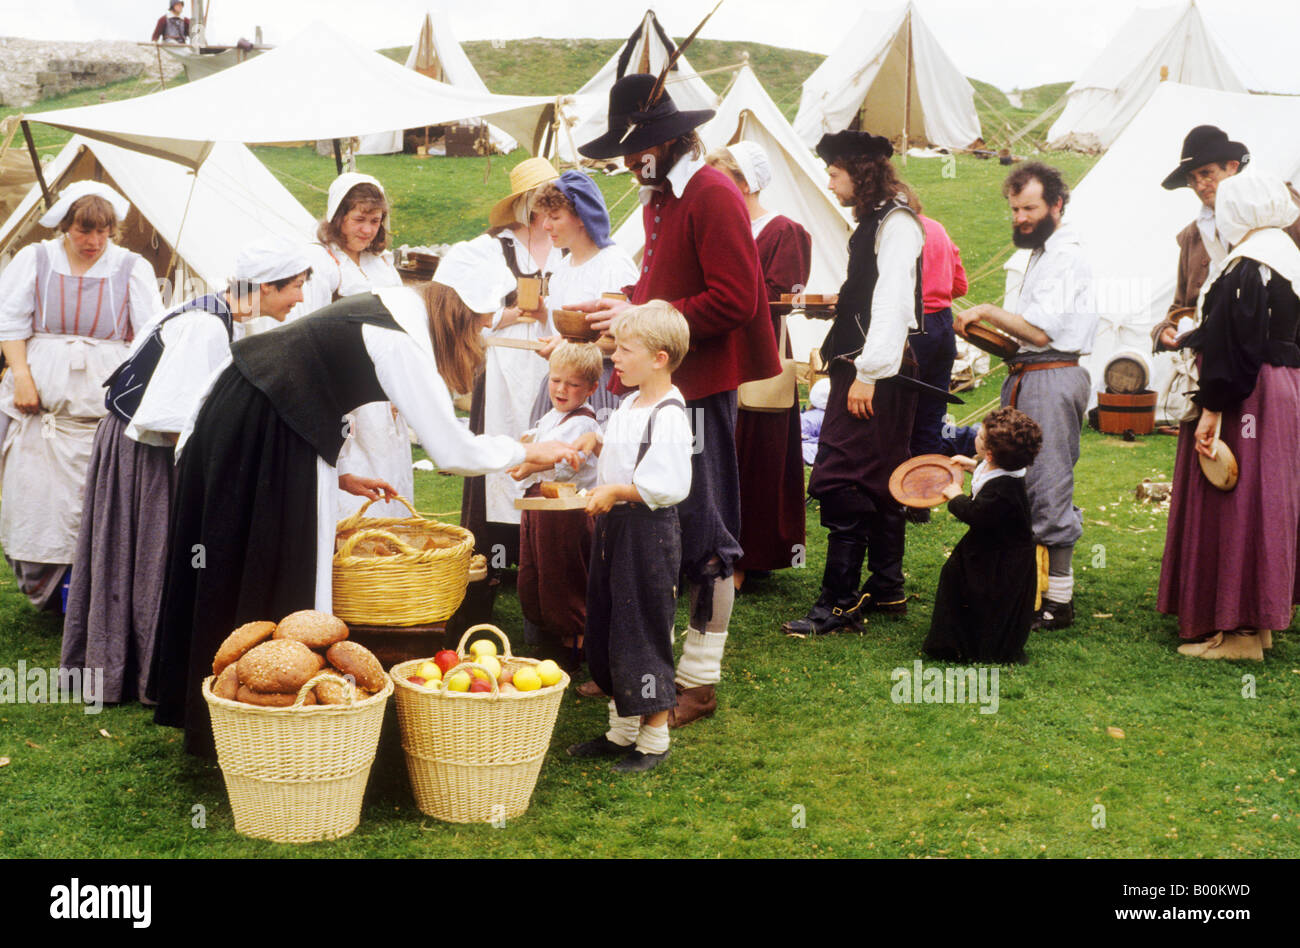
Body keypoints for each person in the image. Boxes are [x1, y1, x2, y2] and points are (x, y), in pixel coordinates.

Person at [148, 236, 581, 756]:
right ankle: (262, 728)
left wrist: (338, 479)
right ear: (459, 314)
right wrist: (526, 451)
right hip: (261, 426)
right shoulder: (399, 337)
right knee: (276, 564)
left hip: (262, 419)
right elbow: (449, 449)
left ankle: (258, 722)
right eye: (482, 322)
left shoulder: (395, 309)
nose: (485, 332)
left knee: (260, 561)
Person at [574, 73, 781, 727]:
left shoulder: (713, 194)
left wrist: (643, 311)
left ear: (666, 141)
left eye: (636, 150)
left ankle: (700, 679)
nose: (630, 163)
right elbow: (667, 279)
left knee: (707, 536)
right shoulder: (664, 195)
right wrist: (624, 305)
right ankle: (645, 668)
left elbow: (735, 299)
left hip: (701, 386)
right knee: (654, 524)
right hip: (666, 384)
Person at [61, 236, 310, 705]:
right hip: (145, 451)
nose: (300, 298)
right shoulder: (205, 327)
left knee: (150, 554)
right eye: (295, 287)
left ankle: (132, 667)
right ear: (266, 287)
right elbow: (171, 420)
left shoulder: (214, 315)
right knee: (154, 551)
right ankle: (138, 673)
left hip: (140, 442)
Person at [782, 130, 923, 636]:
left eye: (835, 172)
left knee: (841, 477)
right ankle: (886, 589)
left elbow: (893, 304)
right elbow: (869, 295)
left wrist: (868, 372)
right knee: (881, 475)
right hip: (871, 365)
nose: (829, 181)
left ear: (860, 175)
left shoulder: (897, 224)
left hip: (875, 371)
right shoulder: (877, 222)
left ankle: (839, 604)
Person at [0, 181, 165, 610]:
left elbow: (150, 336)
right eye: (82, 231)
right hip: (41, 414)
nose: (93, 242)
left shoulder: (132, 267)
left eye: (102, 231)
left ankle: (95, 596)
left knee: (98, 503)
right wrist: (22, 376)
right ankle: (48, 592)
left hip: (100, 417)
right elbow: (10, 323)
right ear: (64, 226)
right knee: (38, 500)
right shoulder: (34, 259)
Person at [1157, 174, 1300, 661]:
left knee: (1238, 502)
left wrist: (1211, 410)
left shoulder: (1249, 266)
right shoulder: (1285, 255)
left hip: (1250, 395)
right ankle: (1257, 627)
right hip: (1282, 388)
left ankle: (1238, 633)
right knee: (1265, 498)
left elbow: (1236, 345)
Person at [954, 162, 1096, 631]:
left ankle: (1059, 599)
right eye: (1014, 209)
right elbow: (1026, 336)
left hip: (1052, 377)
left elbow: (1041, 330)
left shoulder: (1065, 255)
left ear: (1057, 204)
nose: (1020, 217)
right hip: (1031, 373)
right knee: (1020, 477)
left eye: (1030, 207)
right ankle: (1027, 586)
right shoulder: (1041, 251)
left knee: (1048, 480)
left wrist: (991, 310)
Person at [566, 301, 694, 772]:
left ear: (659, 357)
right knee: (607, 621)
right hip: (614, 528)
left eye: (624, 350)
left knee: (641, 626)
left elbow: (669, 484)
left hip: (647, 534)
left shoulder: (670, 415)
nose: (613, 357)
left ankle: (654, 738)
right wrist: (595, 442)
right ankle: (621, 731)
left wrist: (618, 490)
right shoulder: (629, 404)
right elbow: (621, 449)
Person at [705, 142, 809, 590]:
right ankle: (714, 548)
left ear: (746, 184)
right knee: (714, 457)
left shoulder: (784, 231)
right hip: (715, 358)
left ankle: (751, 556)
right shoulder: (716, 228)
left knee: (754, 460)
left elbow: (779, 296)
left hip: (757, 362)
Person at [461, 157, 563, 569]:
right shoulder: (495, 248)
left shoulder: (567, 242)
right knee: (501, 444)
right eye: (538, 202)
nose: (545, 212)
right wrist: (513, 314)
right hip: (505, 360)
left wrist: (548, 313)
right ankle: (496, 558)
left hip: (553, 358)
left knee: (551, 442)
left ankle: (547, 549)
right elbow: (470, 310)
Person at [299, 172, 413, 521]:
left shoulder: (382, 265)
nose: (367, 230)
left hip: (383, 384)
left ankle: (389, 556)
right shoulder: (323, 264)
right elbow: (308, 331)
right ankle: (351, 558)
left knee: (389, 464)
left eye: (375, 221)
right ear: (338, 218)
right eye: (359, 220)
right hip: (344, 385)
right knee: (352, 468)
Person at [1150, 125, 1300, 354]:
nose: (1200, 185)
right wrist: (1165, 330)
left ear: (1232, 167)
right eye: (1192, 178)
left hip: (1278, 362)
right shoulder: (1193, 236)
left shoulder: (1278, 206)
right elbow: (1182, 306)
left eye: (1206, 173)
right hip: (1216, 366)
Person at [923, 407, 1042, 665]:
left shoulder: (1004, 490)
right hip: (990, 545)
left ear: (989, 452)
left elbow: (976, 513)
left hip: (1002, 560)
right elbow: (989, 472)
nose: (975, 435)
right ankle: (958, 639)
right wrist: (972, 464)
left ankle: (974, 647)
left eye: (979, 435)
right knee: (956, 577)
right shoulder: (1001, 467)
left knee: (983, 596)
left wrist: (955, 496)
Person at [511, 342, 604, 665]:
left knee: (562, 574)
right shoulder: (552, 416)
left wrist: (527, 465)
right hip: (539, 507)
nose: (562, 389)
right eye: (555, 380)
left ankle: (574, 641)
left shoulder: (584, 423)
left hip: (565, 511)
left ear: (591, 388)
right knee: (534, 570)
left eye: (573, 384)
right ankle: (547, 631)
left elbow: (566, 461)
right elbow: (535, 444)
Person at [528, 170, 639, 426]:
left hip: (602, 387)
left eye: (555, 217)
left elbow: (624, 338)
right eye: (546, 218)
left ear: (581, 217)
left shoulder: (613, 264)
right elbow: (564, 335)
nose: (546, 226)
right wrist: (554, 336)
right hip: (563, 388)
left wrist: (572, 348)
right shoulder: (562, 270)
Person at [904, 210, 968, 524]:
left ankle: (899, 493)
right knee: (931, 415)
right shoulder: (938, 228)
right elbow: (960, 285)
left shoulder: (895, 230)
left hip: (913, 323)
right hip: (942, 325)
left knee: (899, 413)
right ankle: (921, 503)